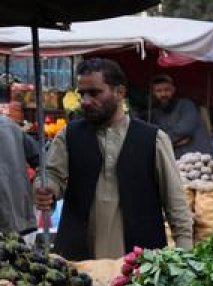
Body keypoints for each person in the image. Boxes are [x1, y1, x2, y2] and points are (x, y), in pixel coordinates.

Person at [34, 58, 193, 261]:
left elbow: (176, 204)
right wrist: (45, 189)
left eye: (95, 93)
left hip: (141, 262)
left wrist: (184, 257)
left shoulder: (153, 139)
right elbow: (51, 175)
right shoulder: (69, 135)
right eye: (82, 94)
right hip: (79, 261)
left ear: (119, 92)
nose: (86, 101)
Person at [149, 74, 213, 158]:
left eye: (167, 90)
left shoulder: (186, 105)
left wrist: (164, 140)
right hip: (178, 161)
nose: (163, 94)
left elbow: (183, 131)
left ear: (173, 90)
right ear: (153, 93)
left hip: (201, 158)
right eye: (159, 91)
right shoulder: (157, 114)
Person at [0, 115, 37, 235]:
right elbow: (41, 160)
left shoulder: (9, 127)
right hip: (14, 218)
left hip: (11, 217)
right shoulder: (10, 126)